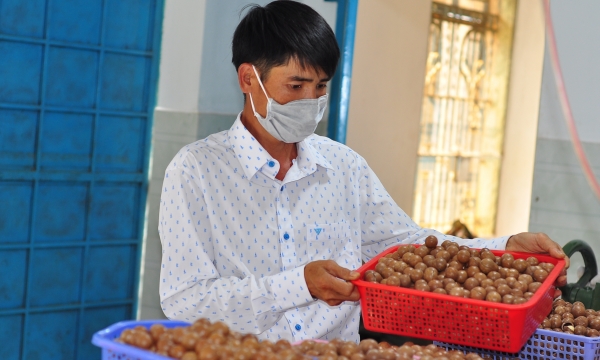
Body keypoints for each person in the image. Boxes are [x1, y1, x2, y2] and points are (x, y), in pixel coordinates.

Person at [158, 0, 569, 343]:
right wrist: (298, 284)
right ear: (249, 78)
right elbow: (186, 300)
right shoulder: (195, 173)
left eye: (321, 87)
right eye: (295, 86)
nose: (311, 101)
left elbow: (408, 245)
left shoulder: (344, 168)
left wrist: (503, 247)